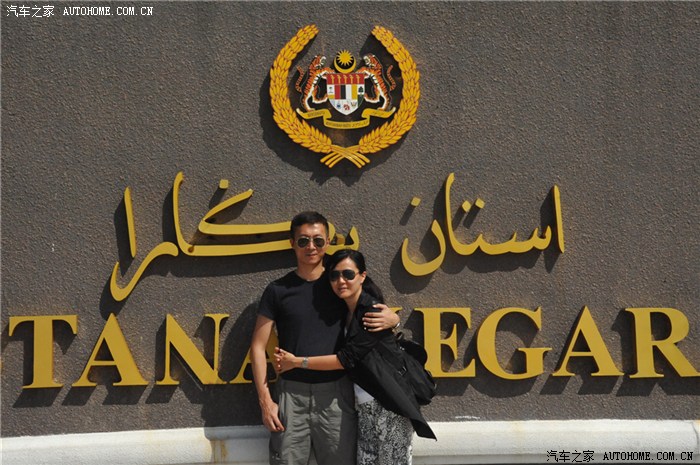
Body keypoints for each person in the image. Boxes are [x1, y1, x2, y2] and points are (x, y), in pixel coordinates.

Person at [250, 211, 400, 465]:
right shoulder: (278, 290)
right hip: (291, 396)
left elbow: (372, 308)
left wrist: (393, 320)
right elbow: (257, 346)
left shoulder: (340, 282)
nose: (311, 247)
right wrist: (265, 402)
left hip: (336, 396)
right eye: (303, 241)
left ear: (328, 242)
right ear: (292, 243)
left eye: (318, 240)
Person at [275, 249, 436, 465]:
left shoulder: (371, 312)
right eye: (334, 275)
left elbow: (346, 359)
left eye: (348, 274)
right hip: (363, 408)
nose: (341, 281)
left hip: (388, 406)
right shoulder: (343, 311)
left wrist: (297, 362)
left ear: (362, 276)